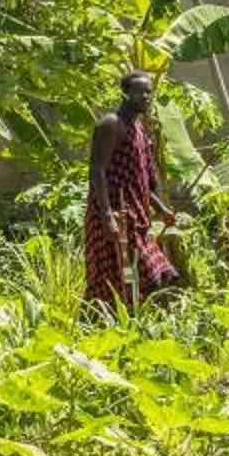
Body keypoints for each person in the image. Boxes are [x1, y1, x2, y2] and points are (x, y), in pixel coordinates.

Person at [84, 71, 180, 312]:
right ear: (125, 93)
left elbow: (143, 184)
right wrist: (107, 217)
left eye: (149, 91)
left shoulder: (139, 130)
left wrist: (162, 209)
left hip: (136, 218)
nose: (146, 96)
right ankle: (102, 326)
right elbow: (97, 171)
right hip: (114, 216)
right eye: (140, 91)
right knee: (117, 279)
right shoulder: (111, 125)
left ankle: (132, 325)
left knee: (144, 276)